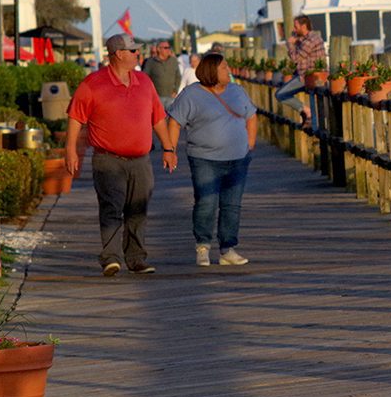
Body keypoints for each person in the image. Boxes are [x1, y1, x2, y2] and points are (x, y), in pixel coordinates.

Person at [66, 33, 177, 276]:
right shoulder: (92, 83)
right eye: (133, 51)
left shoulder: (145, 82)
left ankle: (136, 258)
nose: (138, 54)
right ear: (118, 54)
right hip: (108, 159)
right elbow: (75, 118)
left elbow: (158, 118)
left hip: (141, 160)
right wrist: (70, 150)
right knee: (111, 207)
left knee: (138, 209)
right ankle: (111, 258)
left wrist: (168, 148)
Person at [166, 52, 257, 267]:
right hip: (204, 158)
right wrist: (170, 150)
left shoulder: (237, 91)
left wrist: (249, 145)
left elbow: (251, 116)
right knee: (206, 202)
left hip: (238, 158)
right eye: (224, 67)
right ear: (211, 71)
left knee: (232, 205)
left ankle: (227, 248)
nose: (229, 71)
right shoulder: (191, 94)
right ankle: (203, 246)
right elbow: (174, 122)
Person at [143, 39, 181, 108]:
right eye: (166, 48)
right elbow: (145, 78)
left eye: (169, 47)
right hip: (157, 97)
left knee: (170, 117)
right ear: (158, 49)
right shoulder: (151, 62)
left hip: (171, 96)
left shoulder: (173, 60)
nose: (168, 49)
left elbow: (178, 76)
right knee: (159, 118)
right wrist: (151, 92)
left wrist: (175, 90)